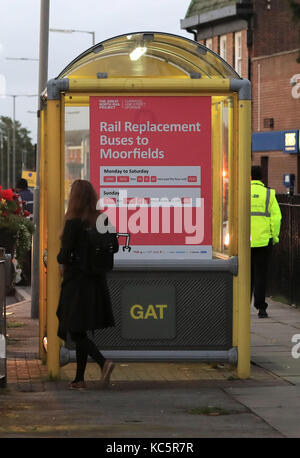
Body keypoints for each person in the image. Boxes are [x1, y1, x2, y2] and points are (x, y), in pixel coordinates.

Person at [56, 179, 118, 389]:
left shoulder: (73, 223)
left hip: (76, 284)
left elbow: (63, 256)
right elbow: (115, 247)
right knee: (80, 329)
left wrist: (62, 257)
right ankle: (79, 379)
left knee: (74, 330)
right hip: (97, 283)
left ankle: (103, 362)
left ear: (74, 198)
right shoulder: (103, 219)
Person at [251, 165, 282, 318]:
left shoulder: (241, 192)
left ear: (249, 177)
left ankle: (242, 307)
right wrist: (274, 237)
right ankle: (261, 308)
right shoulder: (269, 194)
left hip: (245, 241)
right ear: (261, 177)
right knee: (260, 275)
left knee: (245, 276)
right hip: (264, 241)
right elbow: (277, 218)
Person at [15, 178, 34, 286]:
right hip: (35, 227)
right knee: (32, 254)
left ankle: (26, 277)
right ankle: (31, 276)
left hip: (25, 228)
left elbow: (18, 213)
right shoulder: (33, 195)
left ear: (18, 187)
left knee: (24, 253)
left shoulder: (19, 197)